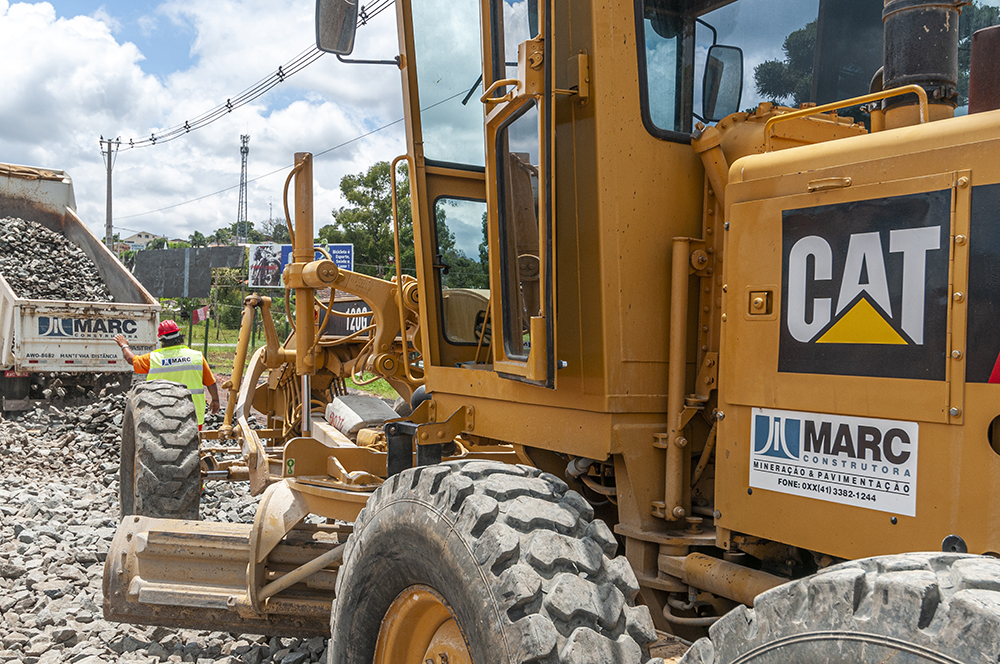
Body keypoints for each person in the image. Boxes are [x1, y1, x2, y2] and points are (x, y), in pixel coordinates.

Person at [114, 320, 221, 428]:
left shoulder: (154, 358)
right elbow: (210, 382)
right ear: (179, 336)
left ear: (162, 340)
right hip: (193, 413)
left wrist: (124, 345)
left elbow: (131, 359)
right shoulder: (196, 357)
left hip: (159, 414)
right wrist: (215, 400)